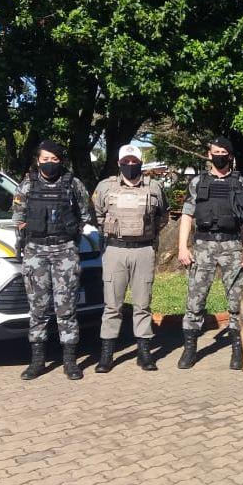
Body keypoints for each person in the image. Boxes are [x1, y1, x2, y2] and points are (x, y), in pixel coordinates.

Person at [13, 140, 93, 381]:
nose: (49, 164)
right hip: (36, 252)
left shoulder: (73, 184)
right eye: (45, 159)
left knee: (66, 308)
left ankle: (70, 362)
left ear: (61, 160)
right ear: (37, 160)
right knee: (38, 309)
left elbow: (86, 215)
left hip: (64, 252)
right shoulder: (26, 186)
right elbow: (17, 218)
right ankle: (37, 361)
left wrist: (72, 235)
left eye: (54, 159)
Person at [176, 136, 243, 369]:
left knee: (236, 302)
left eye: (223, 151)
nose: (219, 155)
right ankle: (190, 350)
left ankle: (237, 350)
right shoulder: (197, 182)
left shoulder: (241, 183)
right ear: (209, 154)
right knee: (195, 300)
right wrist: (183, 247)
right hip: (203, 247)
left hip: (233, 247)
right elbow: (187, 216)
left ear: (230, 155)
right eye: (215, 151)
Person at [91, 145, 170, 373]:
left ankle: (144, 354)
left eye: (135, 161)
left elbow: (163, 215)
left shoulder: (154, 187)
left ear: (141, 163)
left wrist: (149, 234)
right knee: (112, 306)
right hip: (115, 250)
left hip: (143, 251)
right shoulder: (105, 187)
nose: (131, 165)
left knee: (142, 305)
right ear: (119, 163)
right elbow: (96, 214)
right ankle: (107, 355)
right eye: (126, 161)